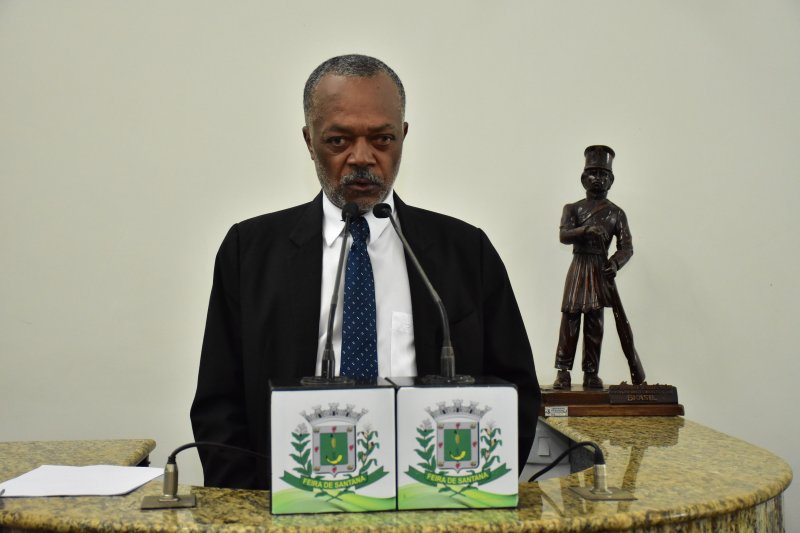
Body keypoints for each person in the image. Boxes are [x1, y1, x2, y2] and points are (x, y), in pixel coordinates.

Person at [190, 54, 540, 489]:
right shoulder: (250, 251)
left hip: (436, 500)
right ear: (309, 140)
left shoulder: (467, 251)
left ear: (403, 136)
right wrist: (254, 506)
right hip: (287, 505)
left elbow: (515, 391)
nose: (362, 157)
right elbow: (219, 406)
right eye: (338, 140)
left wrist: (470, 491)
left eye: (382, 139)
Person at [552, 145, 633, 390]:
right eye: (593, 173)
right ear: (583, 178)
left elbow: (627, 247)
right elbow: (564, 235)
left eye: (603, 174)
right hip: (579, 266)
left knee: (595, 323)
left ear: (611, 180)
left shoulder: (616, 213)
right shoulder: (572, 208)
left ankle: (591, 372)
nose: (598, 178)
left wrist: (615, 263)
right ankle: (563, 371)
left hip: (600, 270)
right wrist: (586, 230)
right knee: (570, 320)